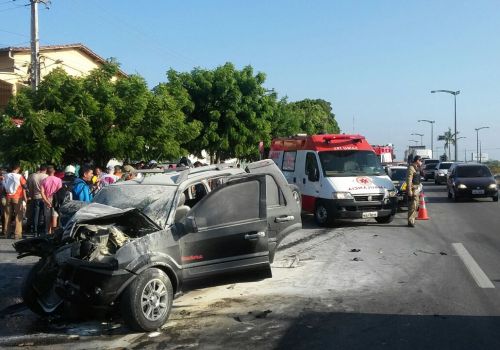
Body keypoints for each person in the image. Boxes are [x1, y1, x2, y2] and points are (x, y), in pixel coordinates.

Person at [2, 164, 27, 239]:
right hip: (17, 197)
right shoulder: (19, 176)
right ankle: (17, 234)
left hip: (8, 197)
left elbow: (3, 186)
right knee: (18, 215)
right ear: (18, 168)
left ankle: (6, 233)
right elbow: (25, 186)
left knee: (7, 215)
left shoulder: (6, 175)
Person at [40, 166, 63, 234]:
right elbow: (60, 191)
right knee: (55, 217)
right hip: (56, 200)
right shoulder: (59, 180)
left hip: (47, 199)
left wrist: (46, 201)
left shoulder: (44, 180)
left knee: (47, 218)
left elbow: (42, 192)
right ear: (54, 171)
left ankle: (48, 232)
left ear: (47, 172)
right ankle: (54, 233)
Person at [27, 165, 48, 236]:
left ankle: (35, 231)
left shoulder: (33, 176)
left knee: (36, 214)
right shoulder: (46, 176)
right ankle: (42, 230)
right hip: (44, 198)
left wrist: (31, 196)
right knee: (44, 214)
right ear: (45, 170)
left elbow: (30, 188)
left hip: (35, 197)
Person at [406, 155, 423, 227]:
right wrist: (409, 190)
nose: (421, 162)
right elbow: (409, 180)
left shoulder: (417, 168)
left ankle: (412, 219)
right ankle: (410, 221)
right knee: (413, 205)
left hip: (417, 189)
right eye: (421, 161)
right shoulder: (411, 168)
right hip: (413, 189)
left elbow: (421, 176)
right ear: (417, 161)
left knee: (416, 206)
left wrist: (421, 168)